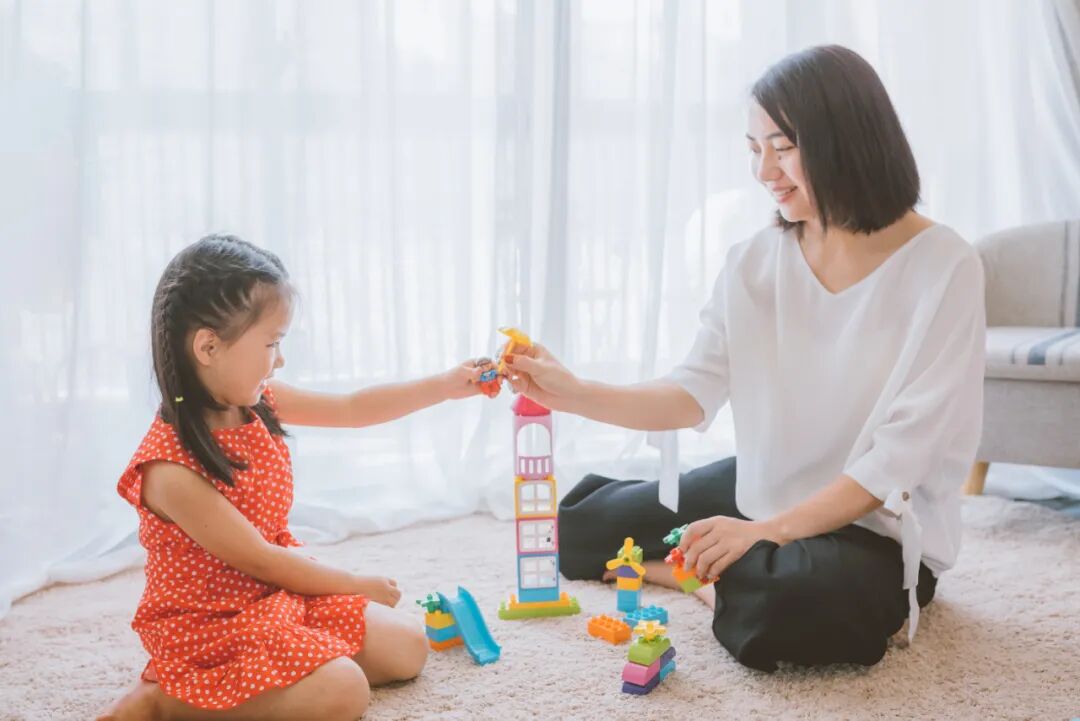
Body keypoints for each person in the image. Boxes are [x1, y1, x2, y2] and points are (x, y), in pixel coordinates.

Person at [506, 45, 986, 672]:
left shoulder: (944, 266)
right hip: (766, 489)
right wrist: (571, 391)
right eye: (754, 148)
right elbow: (692, 391)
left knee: (787, 612)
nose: (764, 171)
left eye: (781, 148)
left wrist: (762, 533)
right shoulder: (754, 260)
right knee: (571, 531)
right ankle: (715, 571)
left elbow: (897, 462)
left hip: (873, 528)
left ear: (846, 141)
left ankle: (704, 577)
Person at [99, 235, 486, 720]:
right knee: (343, 690)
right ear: (209, 346)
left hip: (274, 593)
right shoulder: (169, 469)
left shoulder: (259, 403)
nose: (279, 359)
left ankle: (292, 660)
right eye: (271, 343)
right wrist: (351, 583)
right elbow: (262, 559)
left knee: (408, 646)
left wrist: (446, 385)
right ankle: (165, 699)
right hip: (213, 624)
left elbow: (352, 409)